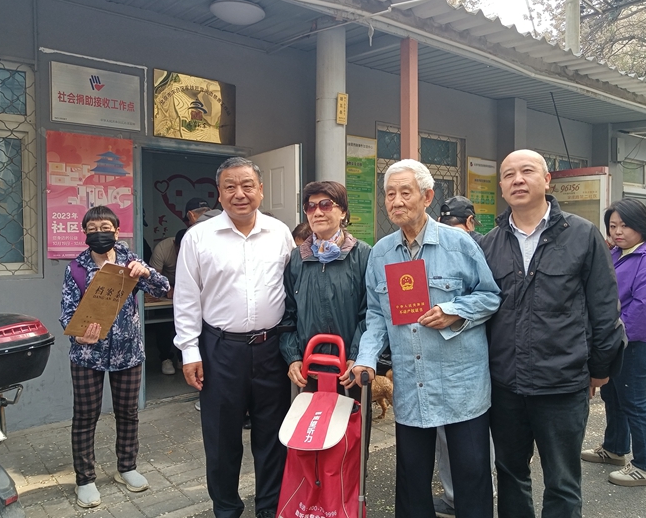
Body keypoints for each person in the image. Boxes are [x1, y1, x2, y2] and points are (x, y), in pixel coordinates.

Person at [479, 149, 625, 518]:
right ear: (502, 187)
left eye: (527, 171)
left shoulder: (582, 235)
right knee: (510, 473)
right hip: (505, 385)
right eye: (509, 174)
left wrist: (598, 369)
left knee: (562, 481)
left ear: (546, 180)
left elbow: (604, 309)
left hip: (562, 384)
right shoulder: (490, 243)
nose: (517, 180)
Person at [352, 159, 501, 518]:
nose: (396, 201)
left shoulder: (459, 244)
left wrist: (455, 310)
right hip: (411, 383)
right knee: (412, 482)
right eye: (390, 194)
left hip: (461, 384)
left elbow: (490, 296)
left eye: (405, 192)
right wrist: (366, 358)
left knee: (472, 477)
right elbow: (376, 316)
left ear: (427, 196)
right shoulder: (381, 253)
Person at [173, 157, 294, 518]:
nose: (239, 194)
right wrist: (189, 351)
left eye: (247, 185)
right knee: (222, 439)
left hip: (271, 349)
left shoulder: (280, 233)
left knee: (273, 436)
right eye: (230, 186)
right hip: (220, 350)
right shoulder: (199, 237)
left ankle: (269, 508)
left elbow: (292, 290)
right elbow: (186, 298)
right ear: (219, 193)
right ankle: (226, 509)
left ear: (261, 190)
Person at [59, 206, 170, 509]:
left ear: (117, 231)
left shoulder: (130, 263)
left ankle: (127, 467)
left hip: (127, 352)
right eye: (92, 229)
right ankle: (85, 479)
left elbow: (163, 288)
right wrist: (78, 335)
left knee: (128, 413)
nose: (99, 234)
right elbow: (67, 313)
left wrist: (147, 272)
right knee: (85, 416)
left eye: (105, 228)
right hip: (87, 354)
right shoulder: (76, 268)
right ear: (84, 233)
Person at [581, 199, 646, 486]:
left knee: (634, 401)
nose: (618, 232)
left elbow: (643, 312)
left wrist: (613, 341)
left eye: (625, 225)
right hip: (615, 339)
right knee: (613, 396)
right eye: (613, 226)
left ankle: (645, 466)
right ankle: (615, 449)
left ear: (641, 226)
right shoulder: (618, 253)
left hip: (636, 342)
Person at [280, 181, 371, 398]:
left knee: (351, 420)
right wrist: (293, 357)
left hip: (351, 370)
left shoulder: (363, 255)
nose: (318, 212)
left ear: (343, 212)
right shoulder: (297, 259)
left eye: (326, 205)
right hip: (308, 371)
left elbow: (371, 313)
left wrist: (357, 356)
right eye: (310, 207)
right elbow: (287, 314)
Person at [434, 195, 493, 517]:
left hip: (466, 353)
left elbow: (490, 297)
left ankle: (460, 496)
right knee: (469, 432)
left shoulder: (478, 247)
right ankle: (468, 494)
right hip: (473, 352)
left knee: (460, 432)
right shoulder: (486, 245)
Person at [149, 227, 187, 374]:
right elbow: (154, 278)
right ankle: (165, 357)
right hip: (166, 287)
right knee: (163, 323)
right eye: (180, 249)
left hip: (188, 288)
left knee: (187, 322)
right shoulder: (163, 249)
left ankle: (182, 357)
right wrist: (168, 288)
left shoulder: (196, 248)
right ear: (174, 244)